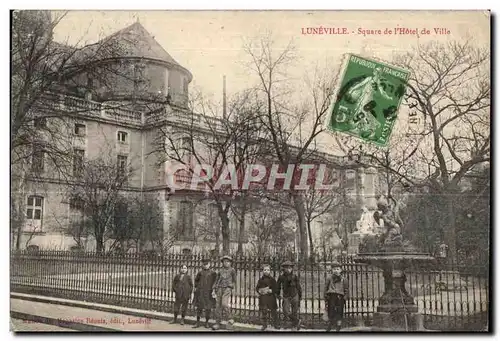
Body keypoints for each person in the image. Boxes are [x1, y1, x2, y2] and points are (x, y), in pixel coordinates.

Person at [212, 255, 237, 330]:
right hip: (219, 288)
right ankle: (217, 323)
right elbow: (216, 280)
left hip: (227, 288)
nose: (226, 263)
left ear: (230, 263)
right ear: (222, 262)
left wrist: (231, 286)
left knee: (224, 303)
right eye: (224, 261)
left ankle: (230, 318)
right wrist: (214, 289)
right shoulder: (220, 270)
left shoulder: (232, 270)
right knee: (218, 306)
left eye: (228, 262)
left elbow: (234, 281)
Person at [277, 261, 302, 330]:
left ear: (292, 269)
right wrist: (278, 294)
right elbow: (278, 286)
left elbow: (298, 287)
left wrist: (300, 296)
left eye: (290, 268)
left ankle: (294, 326)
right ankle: (297, 321)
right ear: (283, 269)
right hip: (286, 296)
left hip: (295, 295)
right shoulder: (281, 277)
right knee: (286, 311)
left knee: (294, 311)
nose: (288, 269)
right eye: (286, 268)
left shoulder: (294, 276)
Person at [324, 262, 349, 332]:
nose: (336, 270)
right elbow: (325, 288)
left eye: (338, 269)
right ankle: (329, 325)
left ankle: (338, 326)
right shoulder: (329, 278)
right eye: (334, 269)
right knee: (330, 311)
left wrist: (344, 298)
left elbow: (346, 289)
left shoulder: (344, 279)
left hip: (340, 297)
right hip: (331, 296)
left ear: (341, 270)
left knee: (339, 312)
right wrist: (325, 296)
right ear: (332, 270)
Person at [193, 258, 217, 328]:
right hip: (200, 293)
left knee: (208, 308)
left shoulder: (213, 273)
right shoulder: (200, 272)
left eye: (207, 264)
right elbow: (196, 280)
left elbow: (215, 282)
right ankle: (197, 322)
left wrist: (214, 290)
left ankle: (206, 323)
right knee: (199, 308)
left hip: (208, 293)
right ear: (202, 265)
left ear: (209, 264)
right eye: (204, 264)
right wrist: (197, 287)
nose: (205, 266)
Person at [256, 264, 279, 331]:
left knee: (273, 311)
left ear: (270, 271)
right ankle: (264, 325)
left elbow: (276, 288)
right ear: (262, 271)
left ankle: (275, 324)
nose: (266, 271)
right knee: (264, 311)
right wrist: (260, 291)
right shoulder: (261, 280)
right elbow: (257, 288)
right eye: (265, 270)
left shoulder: (272, 279)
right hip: (263, 298)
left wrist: (271, 290)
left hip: (271, 297)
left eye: (268, 270)